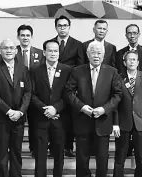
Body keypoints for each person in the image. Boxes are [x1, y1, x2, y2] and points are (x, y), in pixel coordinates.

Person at [66, 41, 122, 177]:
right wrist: (82, 107)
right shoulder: (77, 71)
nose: (96, 56)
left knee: (102, 159)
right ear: (87, 54)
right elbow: (68, 92)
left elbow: (118, 94)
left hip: (103, 121)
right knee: (82, 159)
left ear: (103, 55)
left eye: (99, 53)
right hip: (82, 121)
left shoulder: (112, 72)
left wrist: (104, 109)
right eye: (93, 52)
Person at [0, 39, 32, 177]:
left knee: (16, 153)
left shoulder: (23, 68)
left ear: (16, 50)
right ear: (0, 51)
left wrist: (20, 111)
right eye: (5, 48)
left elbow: (28, 92)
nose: (8, 50)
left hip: (18, 119)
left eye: (11, 48)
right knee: (1, 153)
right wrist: (8, 111)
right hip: (1, 118)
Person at [30, 39, 72, 177]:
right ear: (44, 52)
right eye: (50, 50)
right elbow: (31, 94)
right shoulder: (35, 70)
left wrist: (56, 109)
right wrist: (45, 109)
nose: (53, 53)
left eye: (56, 51)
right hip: (40, 119)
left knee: (59, 155)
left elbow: (69, 94)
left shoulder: (67, 70)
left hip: (60, 119)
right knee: (40, 155)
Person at [113, 50, 142, 177]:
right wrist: (115, 124)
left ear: (138, 62)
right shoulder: (118, 77)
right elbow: (115, 103)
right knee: (120, 157)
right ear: (124, 62)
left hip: (140, 123)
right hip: (123, 123)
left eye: (134, 59)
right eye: (129, 59)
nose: (131, 61)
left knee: (141, 158)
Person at [51, 15, 85, 157]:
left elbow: (81, 66)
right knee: (54, 118)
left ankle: (68, 147)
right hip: (53, 86)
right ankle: (53, 147)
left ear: (69, 27)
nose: (62, 28)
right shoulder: (50, 43)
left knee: (69, 118)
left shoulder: (78, 44)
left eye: (65, 25)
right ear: (56, 27)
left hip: (71, 86)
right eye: (60, 25)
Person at [17, 24, 45, 157]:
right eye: (22, 35)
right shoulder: (12, 51)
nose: (25, 38)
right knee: (18, 123)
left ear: (32, 37)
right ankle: (16, 148)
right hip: (17, 94)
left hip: (34, 94)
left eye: (28, 35)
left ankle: (34, 148)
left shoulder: (40, 53)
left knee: (34, 123)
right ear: (18, 37)